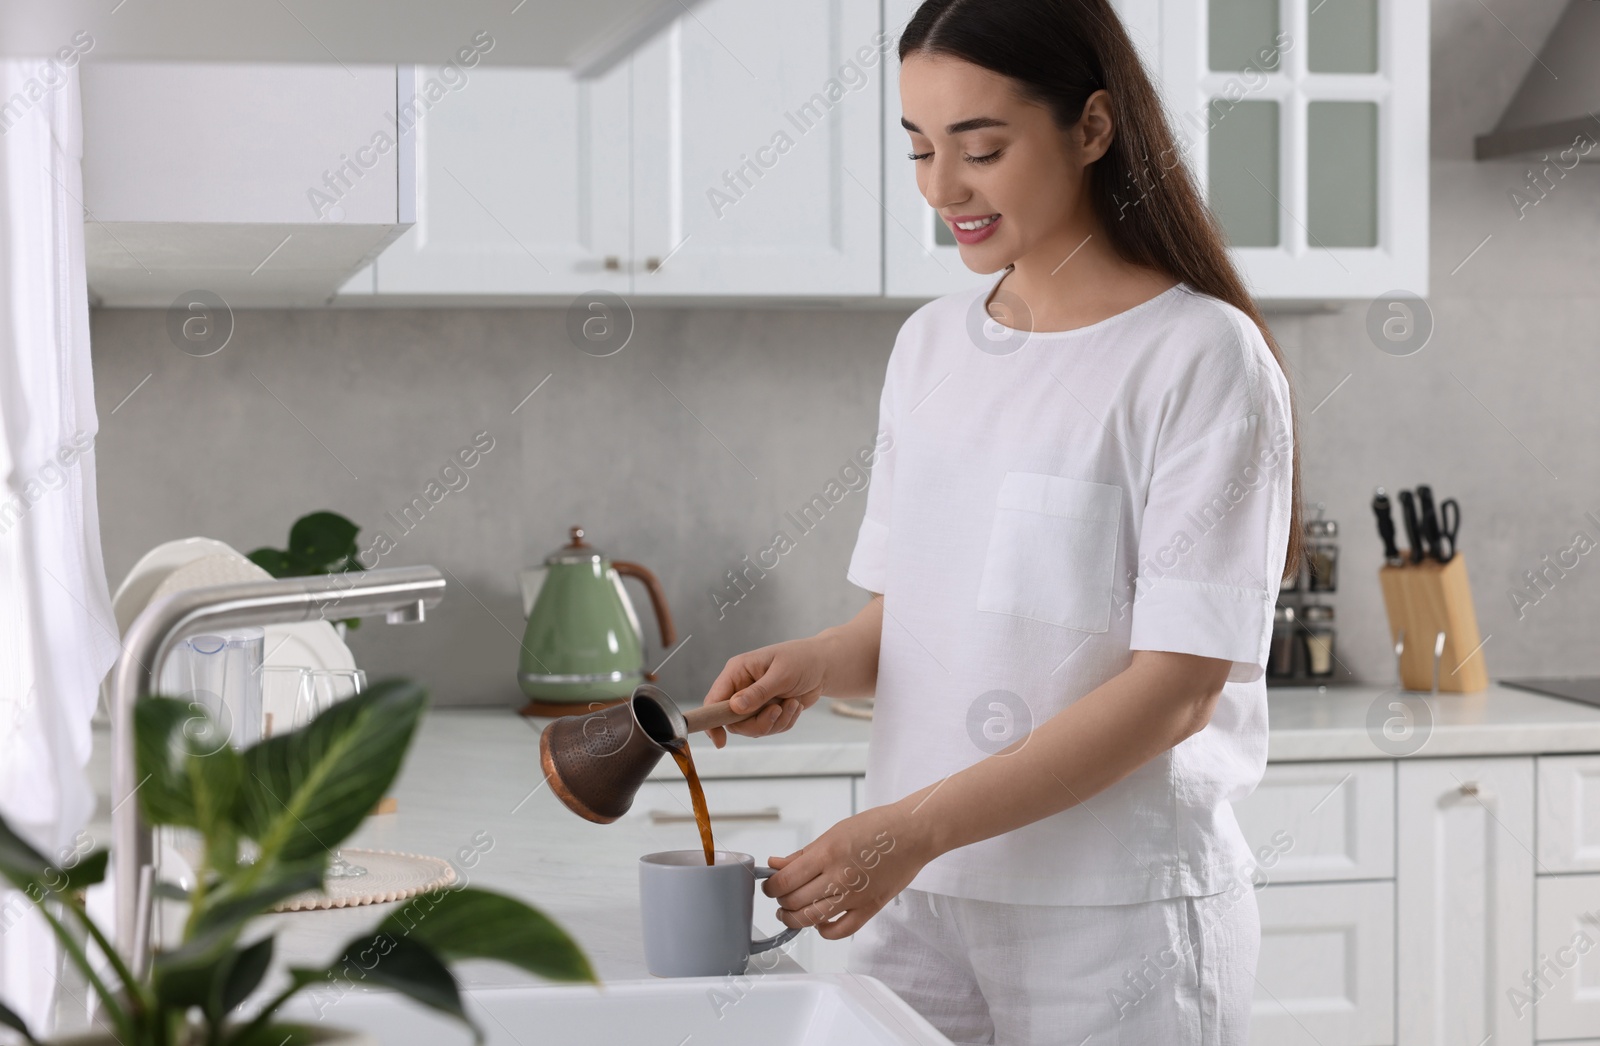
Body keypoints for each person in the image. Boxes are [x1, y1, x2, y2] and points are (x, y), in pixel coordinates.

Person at [698, 1, 1303, 1042]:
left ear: (1093, 127)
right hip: (915, 902)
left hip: (1115, 919)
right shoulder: (931, 346)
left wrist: (913, 829)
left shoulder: (1200, 358)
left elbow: (1175, 689)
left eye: (980, 148)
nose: (941, 188)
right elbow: (918, 616)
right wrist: (817, 659)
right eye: (921, 149)